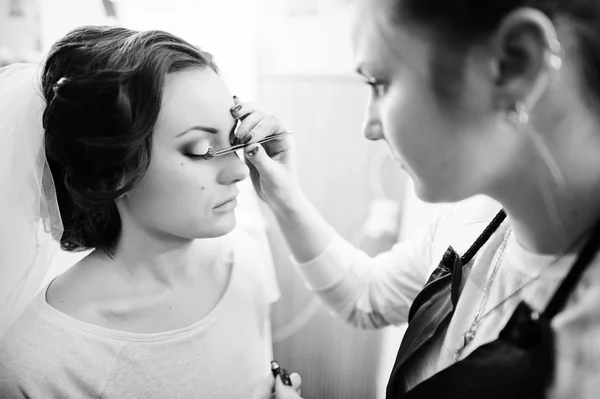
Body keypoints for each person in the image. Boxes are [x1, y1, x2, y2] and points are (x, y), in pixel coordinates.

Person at [238, 0, 600, 397]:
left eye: (380, 83)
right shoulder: (475, 215)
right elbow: (367, 296)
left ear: (513, 63)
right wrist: (284, 196)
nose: (369, 128)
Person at [0, 25, 297, 398]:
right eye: (202, 149)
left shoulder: (243, 264)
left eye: (235, 141)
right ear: (114, 168)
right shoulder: (41, 362)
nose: (239, 171)